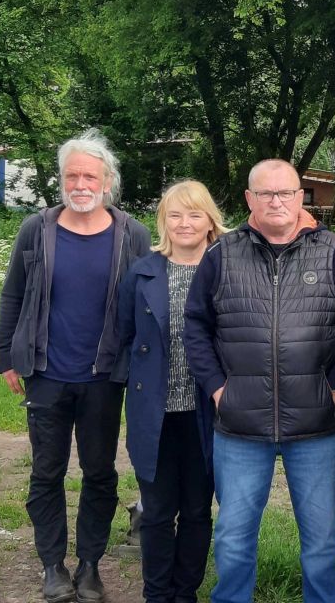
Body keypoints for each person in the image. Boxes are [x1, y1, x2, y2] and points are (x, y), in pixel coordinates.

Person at [183, 159, 335, 603]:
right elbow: (195, 327)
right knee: (233, 533)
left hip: (317, 424)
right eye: (266, 193)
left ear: (300, 196)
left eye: (285, 192)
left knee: (321, 540)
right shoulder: (221, 254)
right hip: (240, 424)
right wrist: (218, 390)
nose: (276, 201)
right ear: (249, 199)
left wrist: (334, 389)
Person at [0, 129, 151, 603]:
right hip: (45, 373)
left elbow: (147, 303)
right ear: (62, 180)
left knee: (101, 472)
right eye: (72, 175)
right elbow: (13, 294)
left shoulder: (132, 234)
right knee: (46, 472)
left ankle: (89, 565)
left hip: (105, 377)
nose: (80, 183)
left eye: (90, 175)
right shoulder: (36, 229)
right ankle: (52, 565)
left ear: (108, 183)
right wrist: (5, 356)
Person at [117, 180, 227, 602]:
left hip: (207, 411)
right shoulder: (142, 271)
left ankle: (186, 593)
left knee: (198, 511)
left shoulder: (224, 269)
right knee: (159, 512)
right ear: (163, 221)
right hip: (155, 414)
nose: (185, 223)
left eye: (194, 214)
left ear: (209, 220)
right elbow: (124, 335)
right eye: (175, 215)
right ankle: (156, 594)